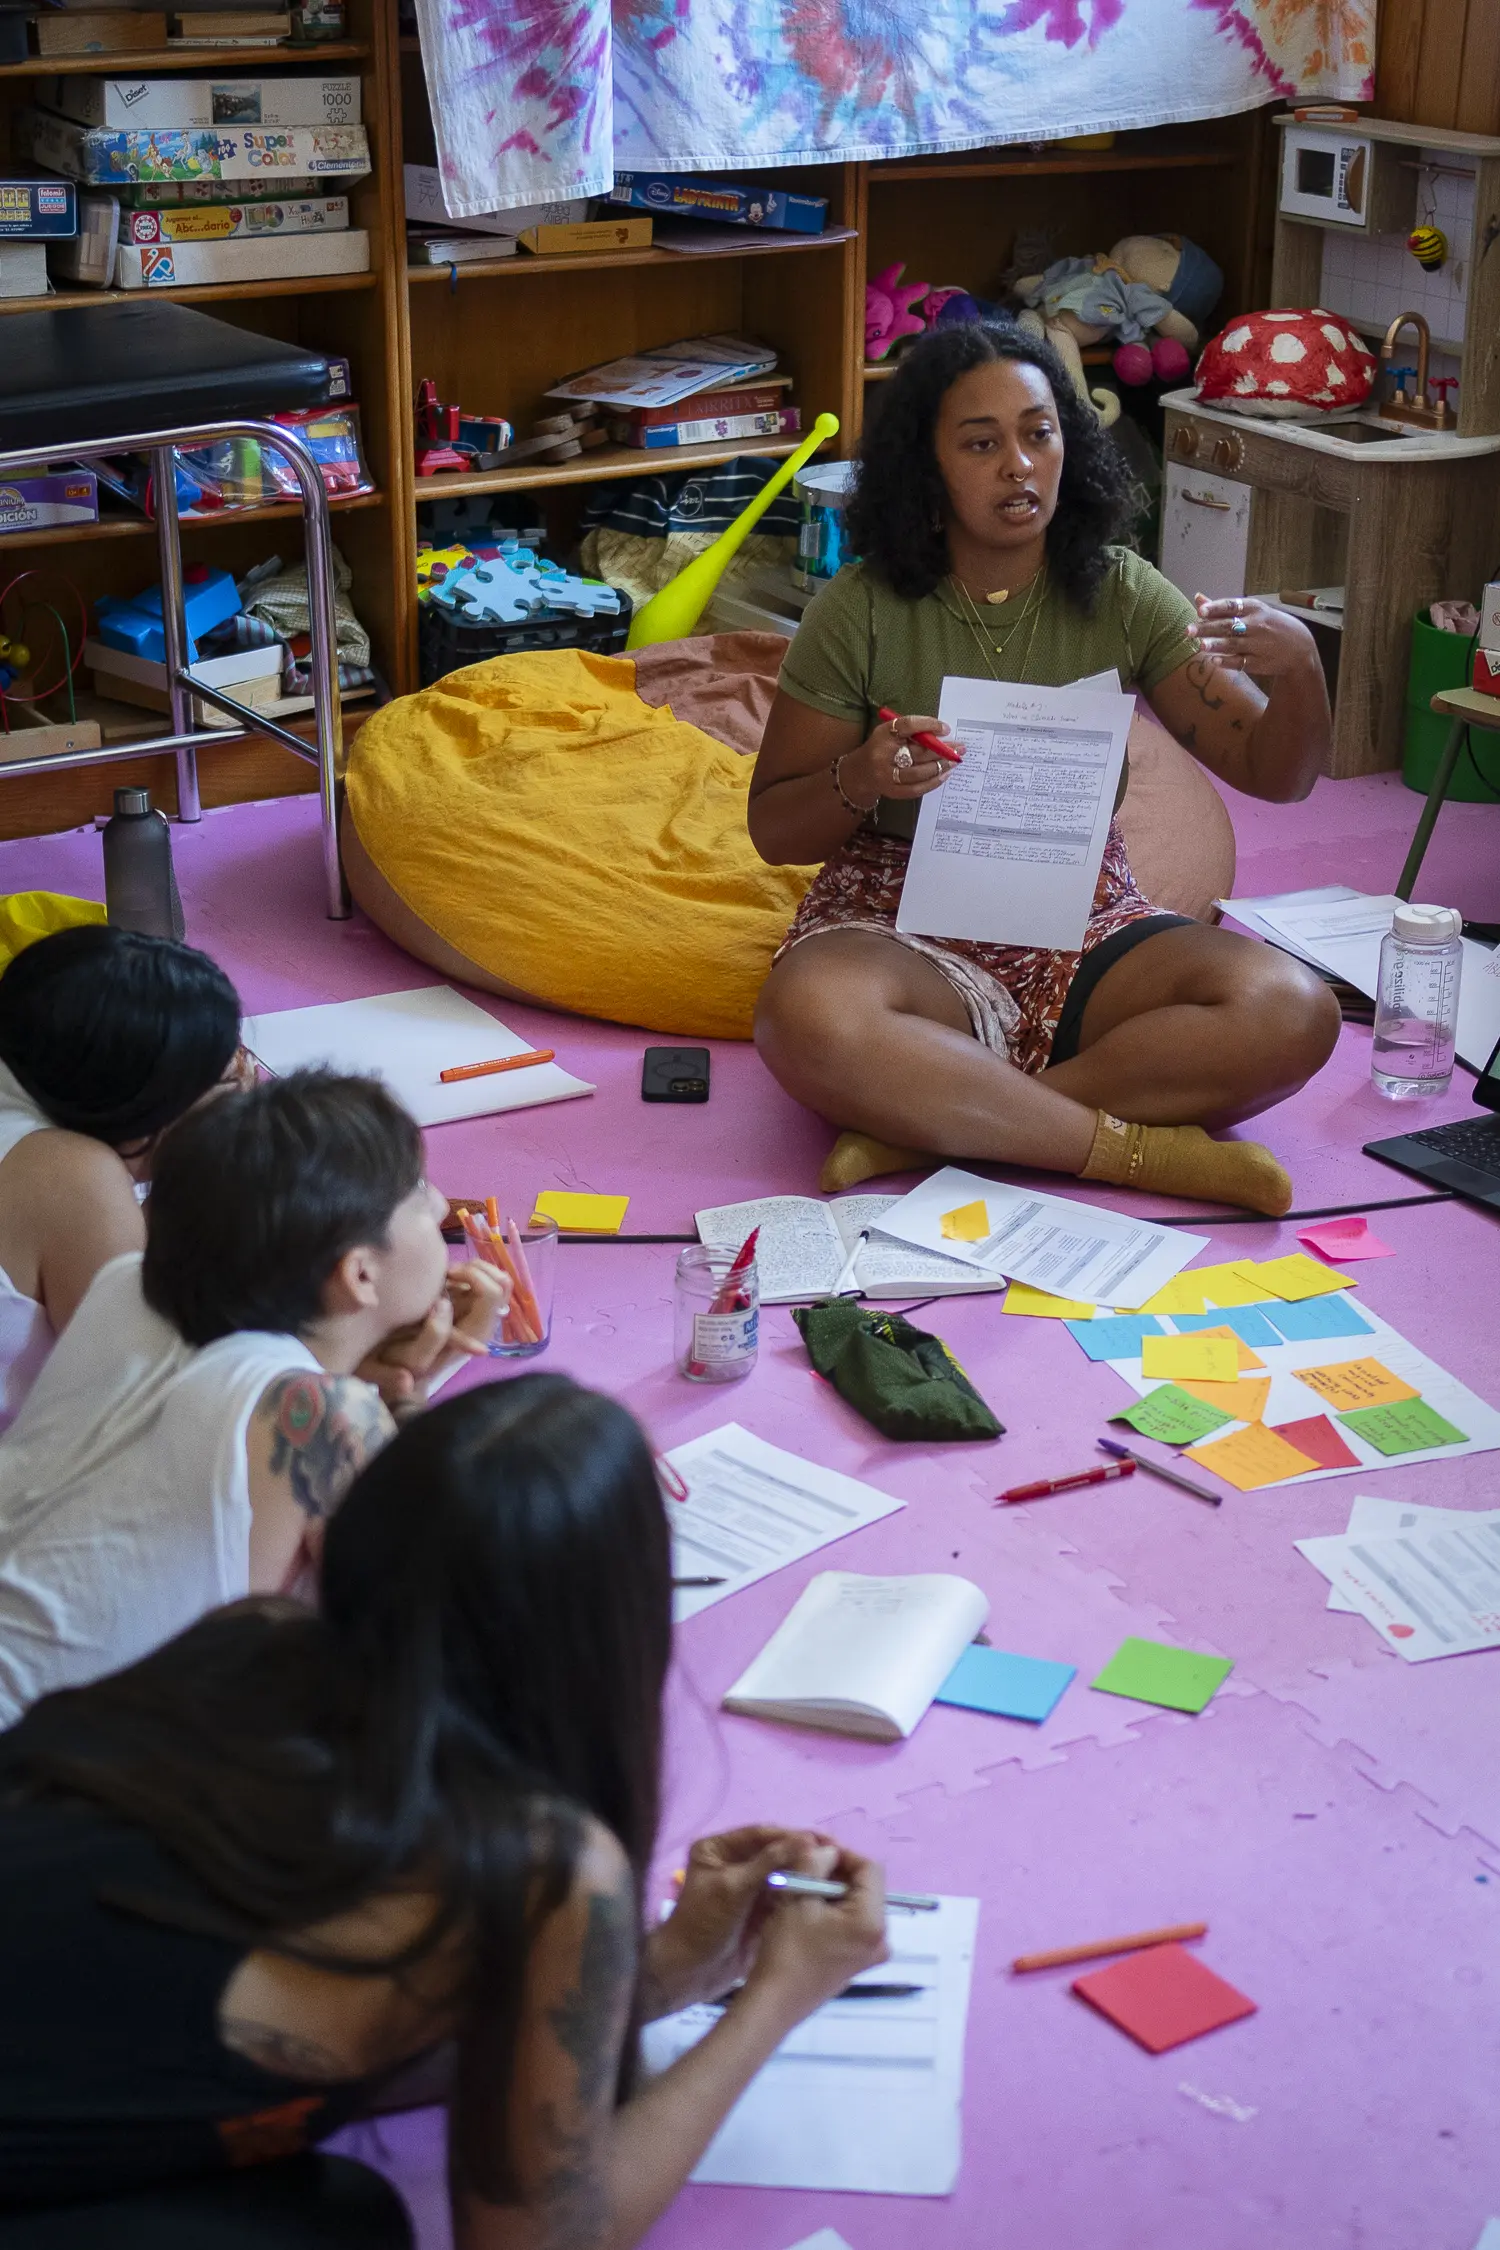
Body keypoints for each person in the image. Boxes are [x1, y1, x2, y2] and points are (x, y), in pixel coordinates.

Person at [0, 1376, 888, 2248]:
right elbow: (540, 2240)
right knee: (343, 2224)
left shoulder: (253, 1637)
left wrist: (661, 1975)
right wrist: (774, 2001)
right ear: (613, 1635)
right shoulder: (540, 1862)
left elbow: (325, 2046)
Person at [749, 322, 1342, 1217]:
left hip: (1081, 914)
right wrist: (861, 778)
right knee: (806, 1017)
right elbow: (772, 828)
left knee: (1292, 1007)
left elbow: (1277, 775)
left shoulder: (1124, 590)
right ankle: (1134, 1155)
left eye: (1039, 434)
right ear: (927, 468)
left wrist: (1298, 671)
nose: (1019, 465)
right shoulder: (859, 609)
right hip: (899, 917)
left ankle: (939, 1122)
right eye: (981, 444)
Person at [0, 1069, 503, 1727]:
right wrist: (406, 1403)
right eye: (415, 1190)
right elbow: (428, 1646)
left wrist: (373, 1375)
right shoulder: (324, 1420)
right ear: (359, 1273)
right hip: (43, 1769)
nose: (439, 1207)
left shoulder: (130, 1285)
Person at [0, 925, 251, 1429]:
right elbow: (150, 1407)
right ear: (145, 1104)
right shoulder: (73, 1177)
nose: (248, 1085)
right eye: (227, 1078)